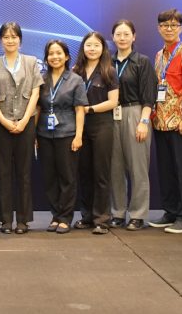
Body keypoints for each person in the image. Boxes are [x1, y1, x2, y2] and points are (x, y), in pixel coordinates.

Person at [148, 9, 182, 234]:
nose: (169, 29)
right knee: (165, 169)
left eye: (173, 25)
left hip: (180, 122)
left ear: (181, 28)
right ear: (158, 28)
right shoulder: (159, 55)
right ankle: (170, 211)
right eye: (164, 25)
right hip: (160, 121)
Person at [0, 22, 42, 234]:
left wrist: (25, 119)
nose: (10, 40)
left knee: (24, 172)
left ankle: (23, 220)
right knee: (3, 172)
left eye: (14, 37)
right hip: (1, 124)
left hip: (26, 123)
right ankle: (5, 220)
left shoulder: (31, 62)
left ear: (20, 40)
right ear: (1, 40)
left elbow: (36, 92)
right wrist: (3, 120)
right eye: (6, 37)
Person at [109, 20, 158, 231]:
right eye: (118, 34)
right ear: (112, 37)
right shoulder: (107, 62)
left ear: (134, 36)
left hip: (136, 113)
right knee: (115, 167)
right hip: (111, 115)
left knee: (138, 168)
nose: (122, 38)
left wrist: (143, 122)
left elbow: (149, 96)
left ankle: (137, 214)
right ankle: (118, 212)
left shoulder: (142, 61)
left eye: (126, 34)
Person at [36, 40, 87, 234]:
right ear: (46, 58)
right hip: (44, 133)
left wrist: (79, 135)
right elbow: (37, 108)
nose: (54, 57)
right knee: (49, 177)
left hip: (68, 133)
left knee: (67, 177)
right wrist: (33, 135)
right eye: (51, 53)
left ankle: (65, 217)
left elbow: (80, 109)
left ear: (66, 57)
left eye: (59, 53)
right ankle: (55, 215)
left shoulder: (75, 80)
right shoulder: (41, 79)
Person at [73, 31, 119, 234]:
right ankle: (87, 216)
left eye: (96, 45)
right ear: (83, 47)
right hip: (79, 127)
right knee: (84, 173)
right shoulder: (76, 71)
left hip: (102, 125)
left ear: (103, 48)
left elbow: (113, 102)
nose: (92, 49)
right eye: (88, 45)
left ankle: (102, 219)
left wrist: (89, 109)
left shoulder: (109, 71)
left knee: (101, 173)